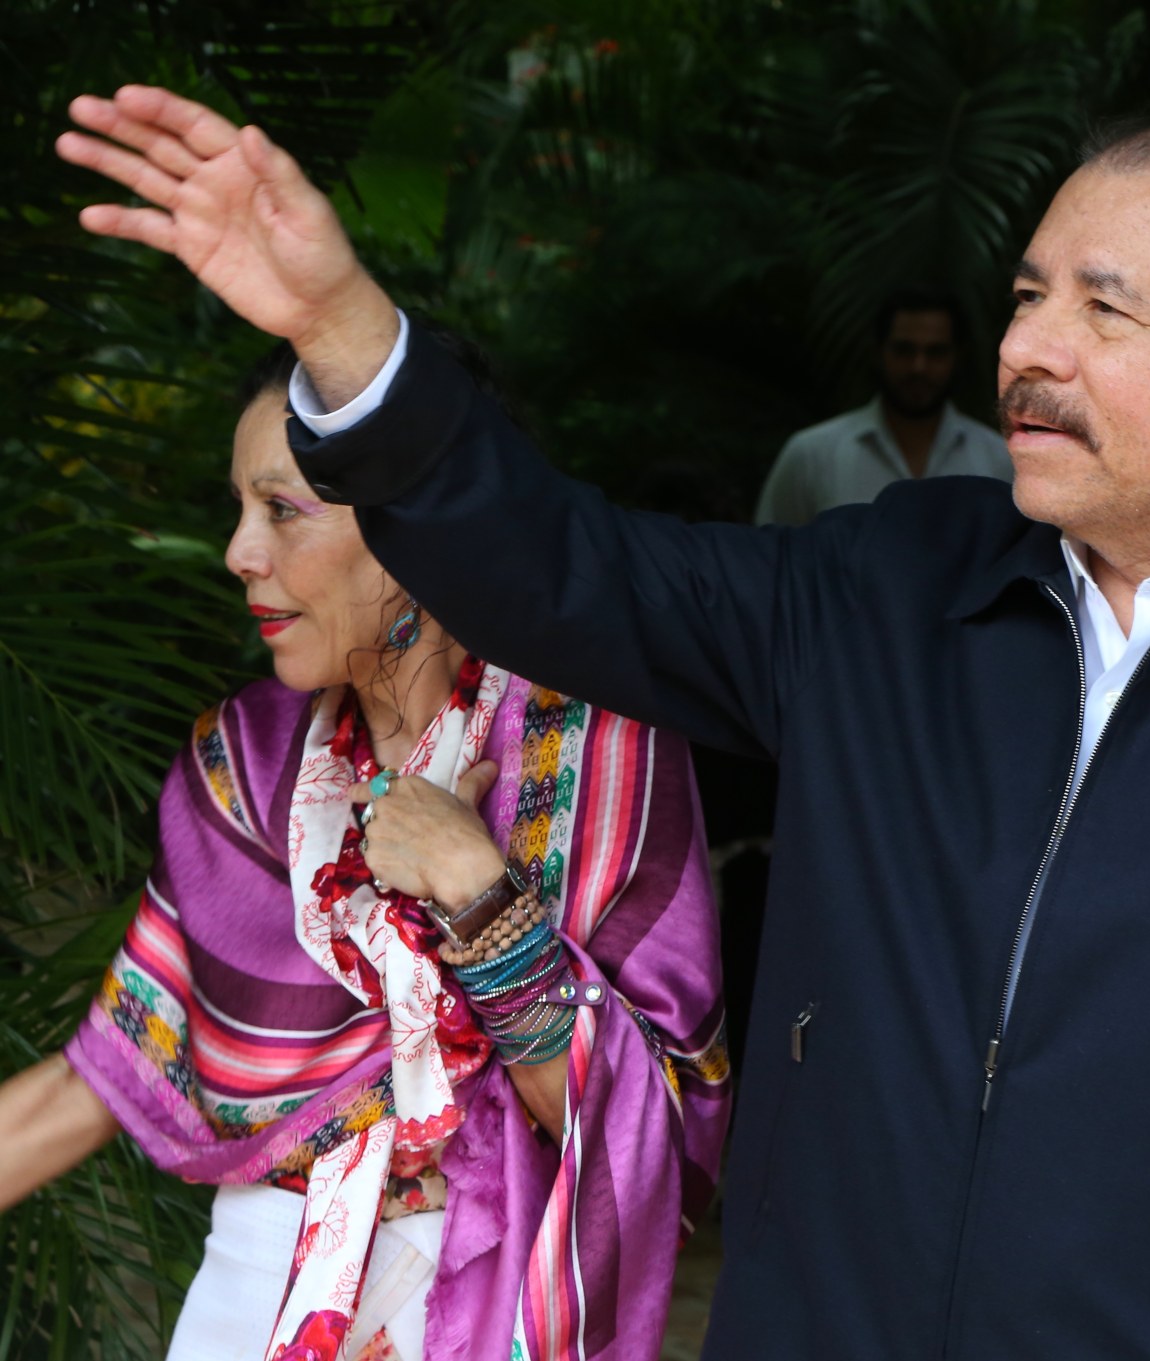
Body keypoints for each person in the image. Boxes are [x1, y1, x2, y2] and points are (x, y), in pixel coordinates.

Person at [57, 88, 1150, 1360]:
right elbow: (561, 571)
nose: (1022, 349)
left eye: (1102, 311)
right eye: (1025, 295)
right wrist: (342, 327)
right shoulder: (894, 589)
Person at [0, 340, 729, 1361]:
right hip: (251, 1292)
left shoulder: (588, 749)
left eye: (281, 509)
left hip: (482, 1298)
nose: (239, 552)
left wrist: (475, 890)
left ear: (418, 525)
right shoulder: (246, 767)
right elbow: (110, 1068)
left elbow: (637, 1131)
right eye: (239, 509)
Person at [753, 289, 1012, 525]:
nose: (918, 367)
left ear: (957, 357)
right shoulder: (811, 455)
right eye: (904, 350)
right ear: (878, 352)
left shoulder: (997, 459)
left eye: (935, 352)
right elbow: (770, 554)